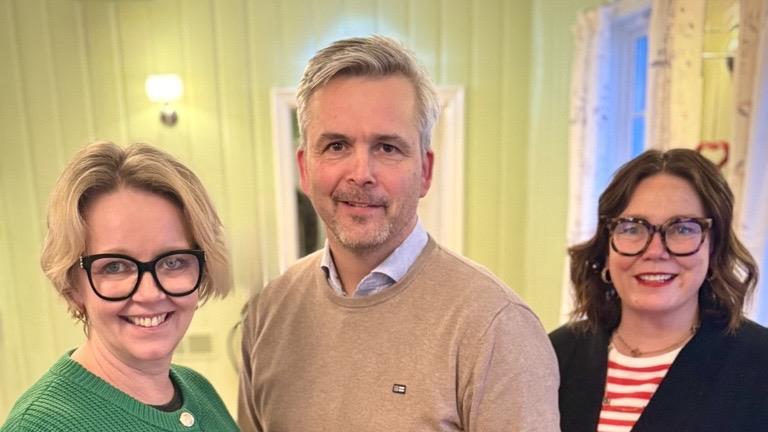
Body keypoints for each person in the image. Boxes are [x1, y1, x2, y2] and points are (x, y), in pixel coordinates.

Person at [238, 35, 559, 432]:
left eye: (387, 148)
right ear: (305, 168)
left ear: (425, 171)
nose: (361, 173)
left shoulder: (496, 327)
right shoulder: (269, 312)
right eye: (337, 146)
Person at [1, 142, 238, 431]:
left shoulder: (199, 390)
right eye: (115, 267)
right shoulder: (40, 426)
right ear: (73, 284)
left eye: (173, 262)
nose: (150, 293)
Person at [550, 149, 768, 432]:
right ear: (606, 246)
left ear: (714, 247)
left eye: (683, 229)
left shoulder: (759, 363)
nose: (655, 251)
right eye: (632, 228)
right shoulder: (555, 355)